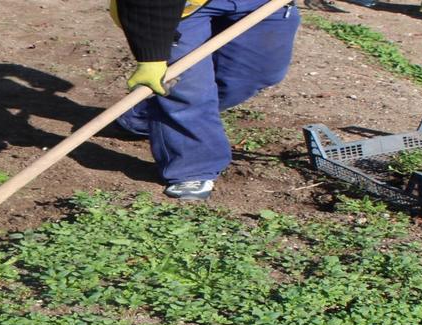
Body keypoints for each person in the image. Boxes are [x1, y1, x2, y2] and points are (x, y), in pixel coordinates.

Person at [109, 0, 300, 200]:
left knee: (252, 74)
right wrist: (152, 57)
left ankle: (142, 118)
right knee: (187, 88)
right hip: (176, 8)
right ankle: (193, 167)